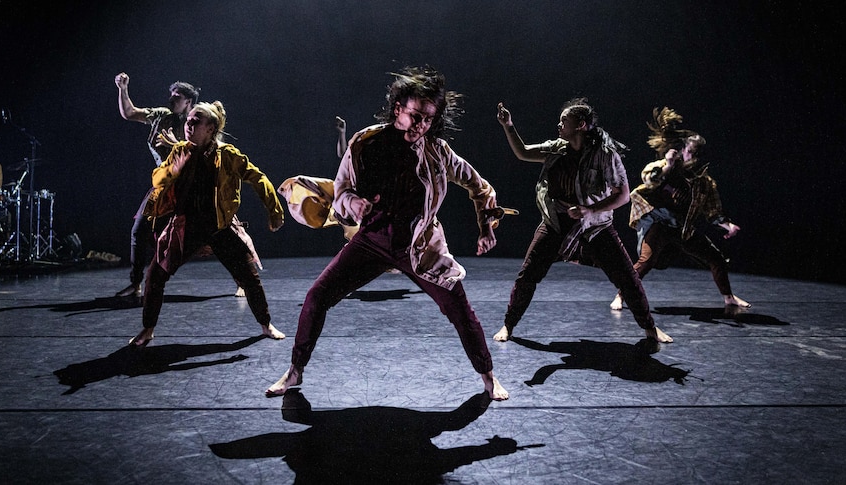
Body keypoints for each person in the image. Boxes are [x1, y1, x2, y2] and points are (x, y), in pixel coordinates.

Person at [265, 66, 509, 401]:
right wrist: (356, 205)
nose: (421, 125)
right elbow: (342, 189)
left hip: (421, 247)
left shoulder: (438, 152)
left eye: (428, 119)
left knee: (460, 311)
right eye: (415, 115)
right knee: (317, 297)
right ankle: (294, 371)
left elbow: (479, 187)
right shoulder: (366, 142)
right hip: (372, 240)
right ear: (398, 109)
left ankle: (488, 377)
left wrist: (485, 227)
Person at [492, 99, 673, 344]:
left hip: (595, 226)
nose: (559, 125)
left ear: (581, 125)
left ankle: (650, 327)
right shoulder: (556, 148)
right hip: (556, 223)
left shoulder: (605, 154)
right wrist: (508, 125)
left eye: (564, 121)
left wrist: (589, 210)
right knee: (528, 275)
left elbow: (622, 194)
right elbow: (523, 152)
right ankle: (508, 325)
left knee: (627, 277)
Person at [127, 101, 286, 347]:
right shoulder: (180, 150)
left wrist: (274, 210)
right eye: (188, 121)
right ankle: (148, 329)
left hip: (220, 227)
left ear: (210, 128)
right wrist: (172, 170)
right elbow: (158, 179)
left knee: (249, 276)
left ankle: (266, 325)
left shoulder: (228, 155)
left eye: (195, 122)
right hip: (185, 228)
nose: (188, 126)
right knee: (155, 275)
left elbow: (257, 177)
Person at [113, 73, 260, 298]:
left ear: (189, 102)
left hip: (195, 186)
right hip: (166, 184)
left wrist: (176, 144)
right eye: (171, 95)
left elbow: (211, 152)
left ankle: (242, 280)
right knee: (140, 230)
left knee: (221, 233)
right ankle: (136, 283)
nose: (172, 100)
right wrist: (123, 88)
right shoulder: (162, 116)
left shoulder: (199, 120)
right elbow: (130, 113)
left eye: (177, 96)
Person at [610, 108, 749, 311]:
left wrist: (728, 226)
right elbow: (649, 180)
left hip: (680, 227)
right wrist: (668, 164)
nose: (694, 157)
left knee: (715, 258)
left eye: (698, 154)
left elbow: (712, 212)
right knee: (646, 261)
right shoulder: (666, 165)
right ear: (683, 150)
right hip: (657, 222)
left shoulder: (705, 183)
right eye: (691, 152)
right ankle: (621, 296)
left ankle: (729, 297)